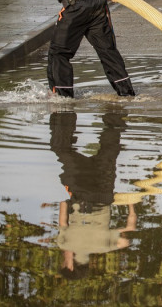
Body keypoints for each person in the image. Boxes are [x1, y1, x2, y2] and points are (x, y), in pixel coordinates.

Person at [49, 110, 137, 279]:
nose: (64, 258)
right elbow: (63, 206)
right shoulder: (63, 243)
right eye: (64, 262)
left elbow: (128, 235)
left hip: (103, 193)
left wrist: (130, 203)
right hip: (79, 190)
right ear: (70, 265)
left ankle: (115, 108)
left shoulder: (103, 248)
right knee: (60, 148)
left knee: (110, 145)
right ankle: (64, 111)